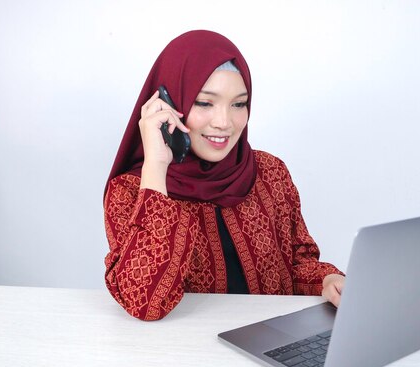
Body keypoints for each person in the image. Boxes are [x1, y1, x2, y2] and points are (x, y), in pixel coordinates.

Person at [104, 30, 345, 321]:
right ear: (169, 104)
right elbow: (144, 303)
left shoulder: (270, 173)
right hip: (186, 356)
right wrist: (156, 166)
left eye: (239, 104)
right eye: (205, 103)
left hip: (268, 350)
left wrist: (326, 281)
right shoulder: (130, 191)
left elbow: (296, 265)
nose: (224, 123)